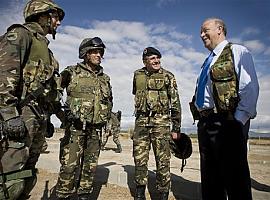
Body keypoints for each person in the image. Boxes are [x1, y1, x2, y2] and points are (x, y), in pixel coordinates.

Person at [0, 0, 64, 199]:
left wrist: (52, 117)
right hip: (21, 114)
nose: (58, 23)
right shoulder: (20, 35)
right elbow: (4, 75)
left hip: (39, 117)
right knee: (11, 178)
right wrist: (9, 114)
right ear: (42, 16)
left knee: (27, 173)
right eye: (56, 17)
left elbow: (50, 90)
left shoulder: (48, 52)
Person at [190, 18, 259, 200]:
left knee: (235, 182)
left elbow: (249, 88)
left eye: (205, 30)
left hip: (228, 123)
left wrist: (237, 122)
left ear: (220, 29)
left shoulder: (238, 52)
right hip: (206, 124)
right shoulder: (207, 61)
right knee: (211, 183)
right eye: (201, 32)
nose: (201, 35)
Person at [55, 37, 113, 200]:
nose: (98, 55)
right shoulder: (72, 71)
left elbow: (109, 102)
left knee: (90, 167)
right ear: (85, 53)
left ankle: (84, 195)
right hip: (75, 129)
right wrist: (63, 114)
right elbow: (54, 92)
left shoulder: (105, 78)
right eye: (94, 51)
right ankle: (64, 195)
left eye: (100, 52)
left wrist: (107, 122)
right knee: (69, 166)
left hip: (95, 130)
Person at [132, 47, 182, 200]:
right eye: (152, 58)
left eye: (158, 58)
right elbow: (136, 94)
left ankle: (163, 193)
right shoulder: (137, 75)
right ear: (144, 61)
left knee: (163, 160)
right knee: (139, 159)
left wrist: (176, 128)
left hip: (161, 123)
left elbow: (175, 103)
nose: (156, 60)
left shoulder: (168, 76)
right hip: (141, 122)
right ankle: (140, 193)